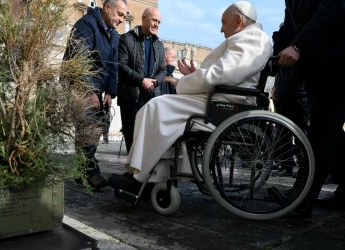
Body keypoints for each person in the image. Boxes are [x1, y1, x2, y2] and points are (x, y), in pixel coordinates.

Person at [110, 1, 273, 192]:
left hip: (224, 102)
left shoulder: (252, 39)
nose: (221, 29)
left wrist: (184, 82)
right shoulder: (248, 38)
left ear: (238, 20)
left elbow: (220, 74)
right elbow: (222, 73)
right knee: (158, 108)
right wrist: (194, 76)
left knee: (156, 107)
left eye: (224, 22)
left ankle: (141, 178)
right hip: (219, 97)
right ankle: (151, 175)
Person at [267, 0, 345, 218]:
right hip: (315, 68)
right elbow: (292, 24)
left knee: (321, 131)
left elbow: (332, 8)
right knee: (330, 132)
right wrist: (272, 59)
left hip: (337, 62)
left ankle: (303, 198)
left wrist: (298, 46)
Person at [63, 0, 128, 189]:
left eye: (124, 16)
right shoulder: (85, 25)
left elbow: (112, 65)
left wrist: (109, 92)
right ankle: (91, 172)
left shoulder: (114, 34)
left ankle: (81, 171)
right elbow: (80, 60)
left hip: (98, 87)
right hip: (80, 85)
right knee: (86, 126)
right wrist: (88, 90)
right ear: (107, 7)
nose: (122, 20)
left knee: (95, 129)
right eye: (120, 14)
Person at [117, 7, 167, 159]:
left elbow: (163, 70)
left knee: (149, 140)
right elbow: (121, 65)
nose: (156, 24)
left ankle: (145, 175)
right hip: (131, 97)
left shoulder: (159, 44)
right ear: (144, 18)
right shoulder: (126, 39)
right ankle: (132, 174)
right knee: (132, 139)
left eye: (159, 22)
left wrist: (154, 83)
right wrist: (141, 80)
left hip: (152, 98)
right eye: (154, 20)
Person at [271, 22, 310, 176]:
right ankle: (287, 165)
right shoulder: (282, 52)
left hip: (298, 95)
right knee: (283, 133)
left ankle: (304, 167)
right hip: (283, 94)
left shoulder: (299, 48)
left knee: (302, 133)